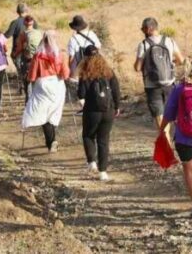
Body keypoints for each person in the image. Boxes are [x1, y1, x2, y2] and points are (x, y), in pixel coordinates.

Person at [161, 60, 192, 218]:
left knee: (189, 170)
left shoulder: (179, 88)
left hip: (183, 136)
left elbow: (169, 112)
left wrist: (161, 129)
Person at [76, 45, 120, 182]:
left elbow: (81, 94)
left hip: (91, 111)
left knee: (88, 136)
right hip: (108, 110)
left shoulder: (85, 73)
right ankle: (103, 172)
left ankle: (92, 162)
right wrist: (117, 107)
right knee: (103, 140)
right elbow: (116, 91)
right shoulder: (109, 71)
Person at [23, 30, 70, 152]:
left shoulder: (38, 55)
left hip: (42, 85)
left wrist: (29, 80)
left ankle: (51, 141)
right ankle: (52, 140)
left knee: (43, 113)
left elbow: (32, 76)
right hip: (57, 84)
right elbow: (65, 74)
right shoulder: (61, 54)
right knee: (54, 112)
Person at [133, 17, 183, 126]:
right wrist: (171, 63)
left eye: (143, 29)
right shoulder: (169, 41)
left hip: (152, 86)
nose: (143, 32)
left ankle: (166, 141)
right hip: (170, 83)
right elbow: (181, 60)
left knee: (160, 120)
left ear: (148, 29)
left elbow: (137, 67)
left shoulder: (144, 44)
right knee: (173, 116)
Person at [66, 15, 101, 104]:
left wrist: (70, 70)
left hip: (82, 64)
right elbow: (98, 47)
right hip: (95, 62)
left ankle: (87, 105)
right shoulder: (91, 34)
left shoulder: (73, 39)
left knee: (84, 85)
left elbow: (71, 57)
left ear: (74, 28)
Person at [15, 16, 43, 97]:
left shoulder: (22, 34)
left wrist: (15, 55)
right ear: (33, 23)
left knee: (27, 83)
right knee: (36, 84)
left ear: (24, 23)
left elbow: (19, 48)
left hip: (27, 60)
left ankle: (28, 103)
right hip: (38, 60)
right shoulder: (38, 33)